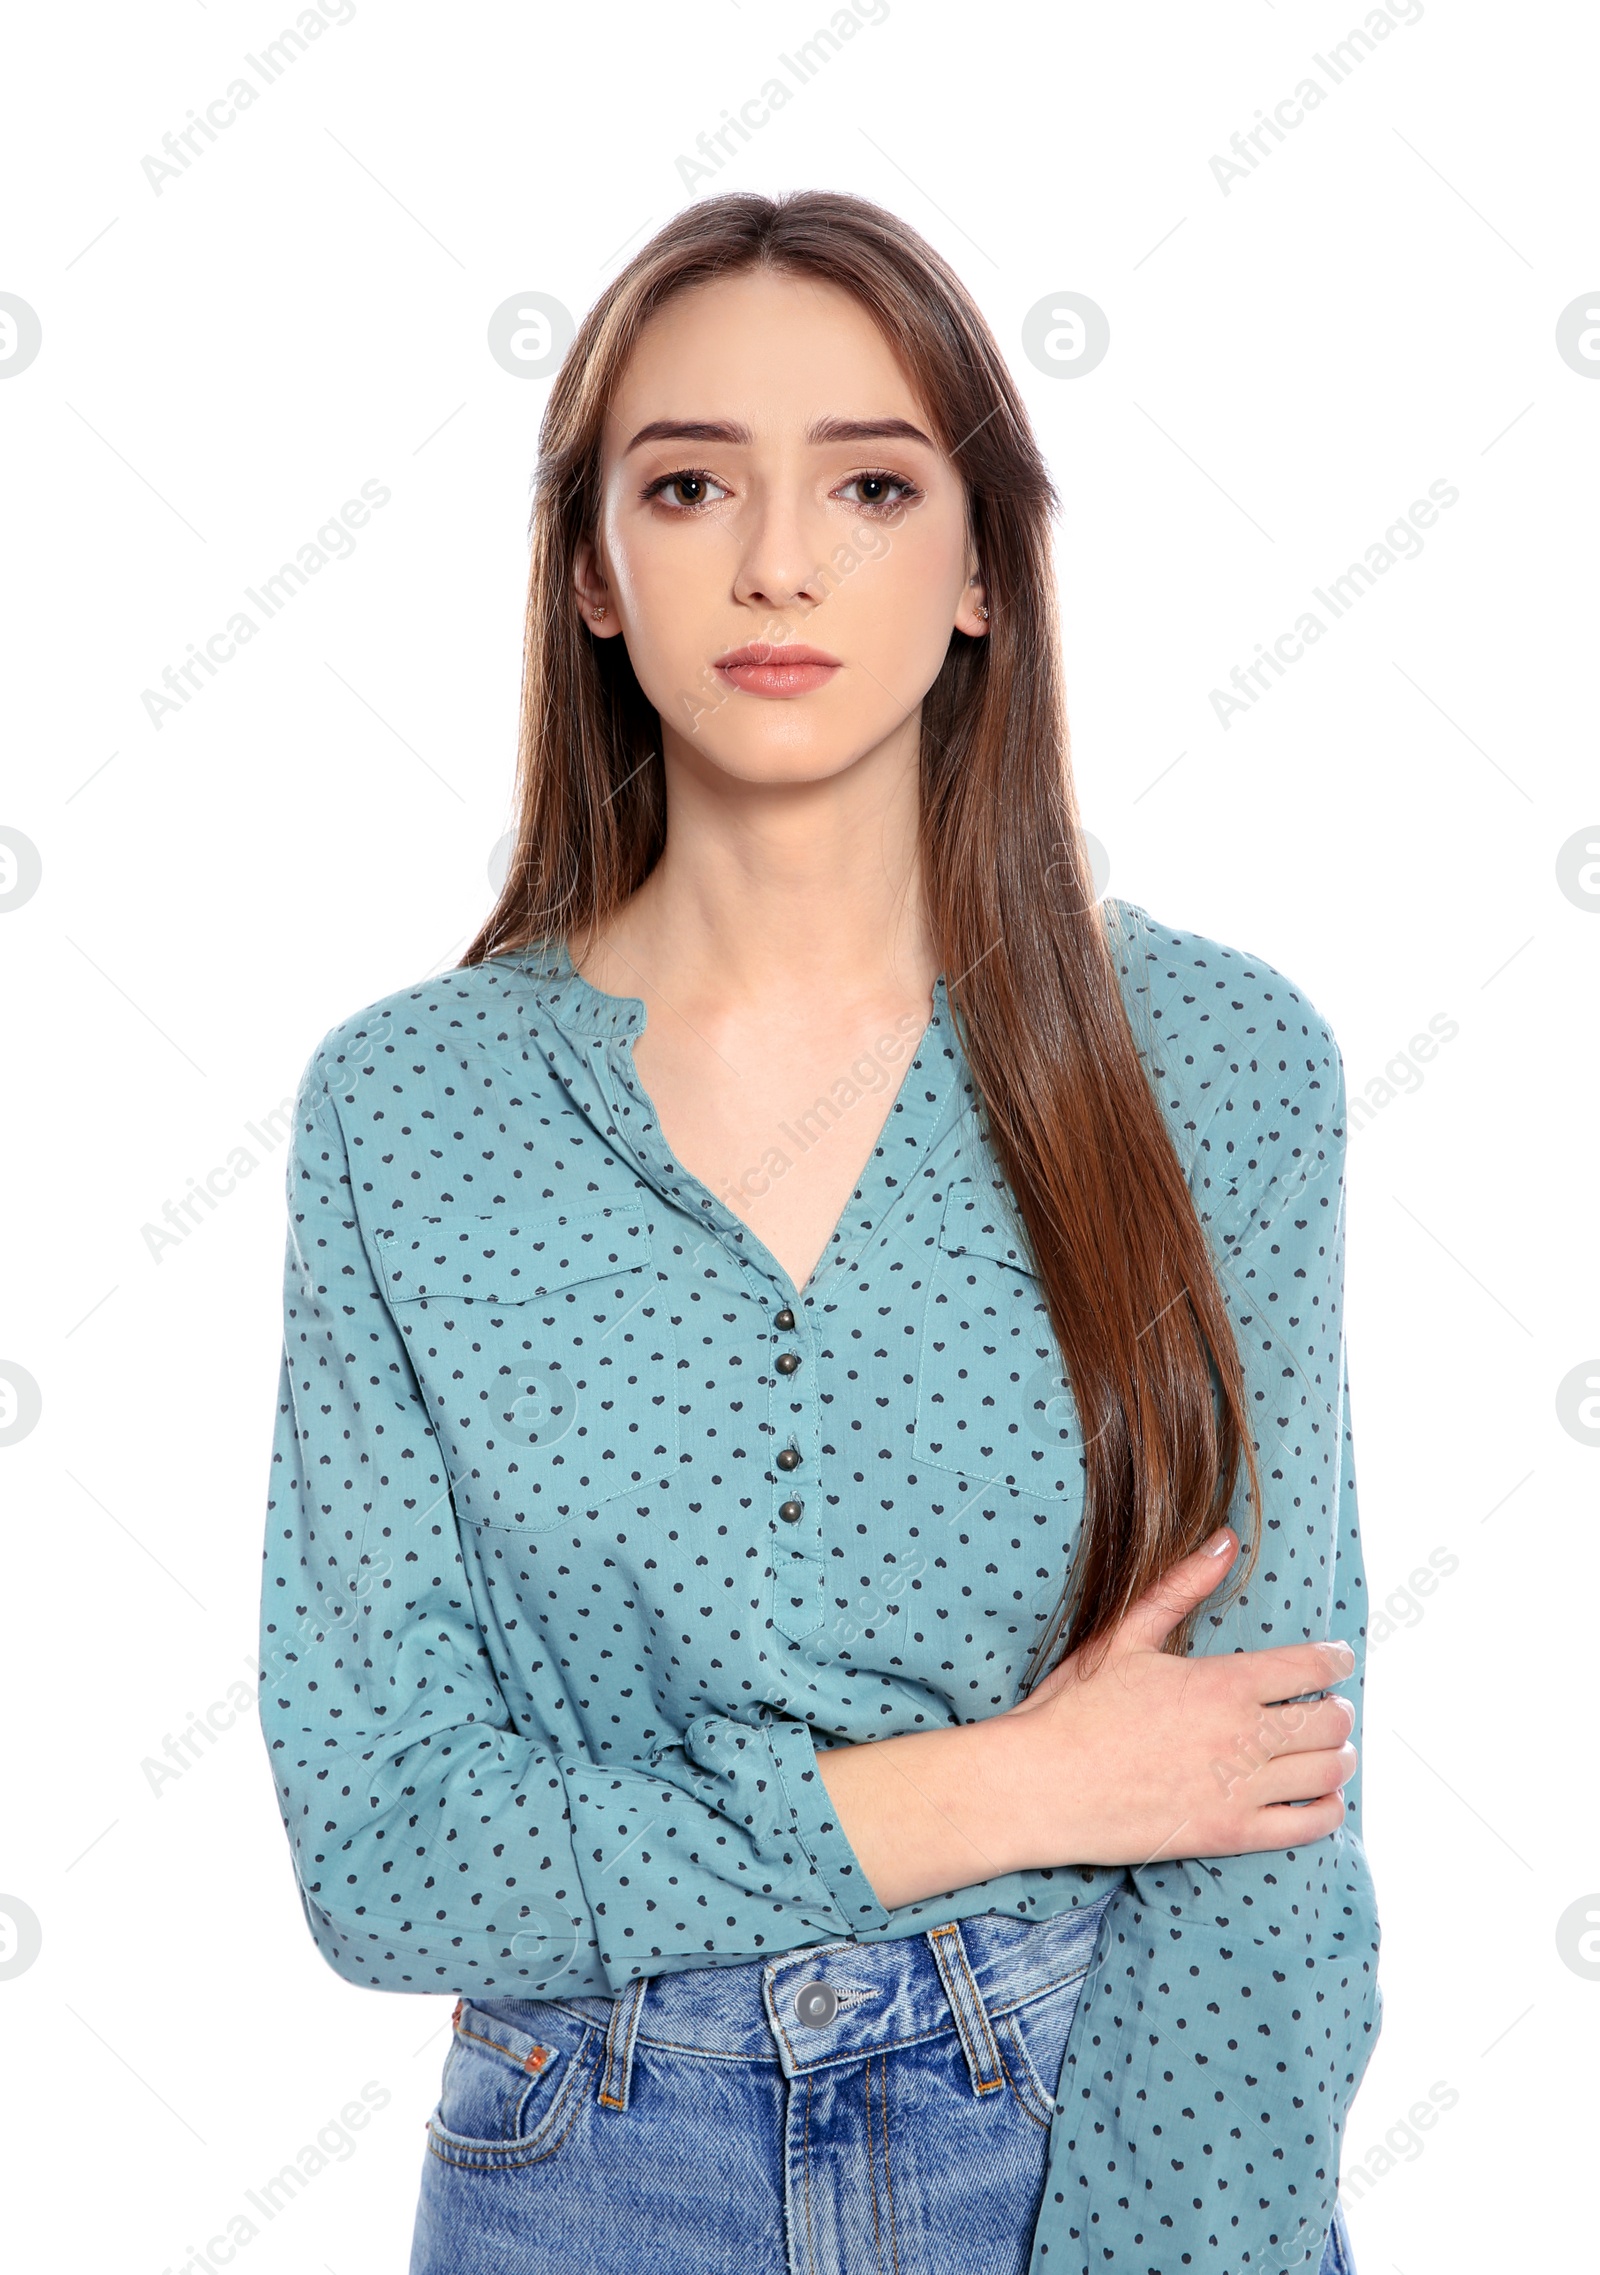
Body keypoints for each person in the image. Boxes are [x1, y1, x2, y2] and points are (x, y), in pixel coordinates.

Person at [258, 189, 1379, 2275]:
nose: (776, 559)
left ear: (981, 566)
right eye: (687, 483)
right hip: (580, 2168)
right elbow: (392, 1851)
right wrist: (1009, 1789)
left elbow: (1263, 1821)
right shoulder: (405, 1114)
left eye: (869, 482)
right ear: (591, 568)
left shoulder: (1216, 1068)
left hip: (1087, 2131)